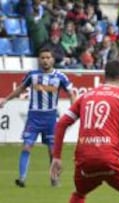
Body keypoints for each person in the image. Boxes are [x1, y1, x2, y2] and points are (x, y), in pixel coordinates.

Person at [50, 60, 119, 203]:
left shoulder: (85, 96)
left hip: (85, 160)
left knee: (79, 194)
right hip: (112, 160)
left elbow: (61, 124)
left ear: (105, 76)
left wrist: (56, 157)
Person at [0, 48, 76, 187]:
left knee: (52, 152)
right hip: (34, 117)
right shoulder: (32, 75)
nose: (45, 60)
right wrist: (5, 99)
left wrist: (73, 111)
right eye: (42, 58)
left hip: (50, 118)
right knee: (26, 147)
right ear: (39, 60)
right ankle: (22, 178)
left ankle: (54, 179)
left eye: (48, 57)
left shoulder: (60, 77)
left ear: (53, 60)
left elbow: (71, 93)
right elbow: (20, 89)